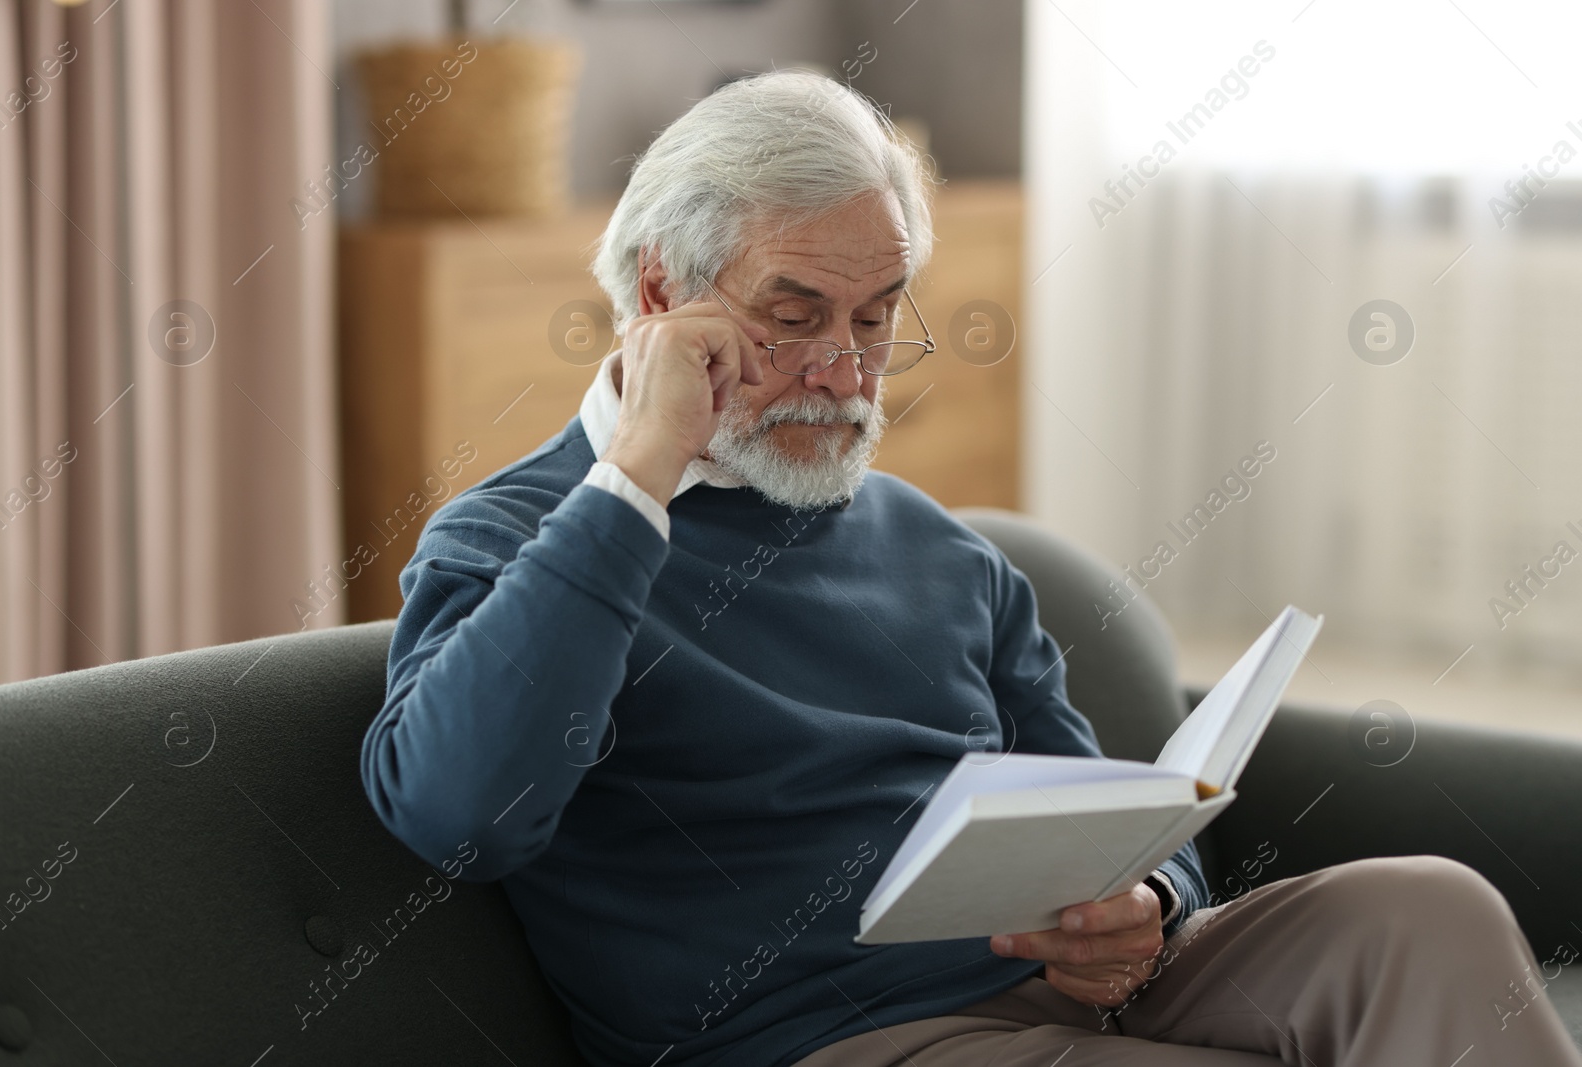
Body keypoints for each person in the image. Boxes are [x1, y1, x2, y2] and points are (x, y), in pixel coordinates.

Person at [359, 69, 1582, 1067]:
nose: (844, 366)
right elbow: (459, 815)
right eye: (794, 315)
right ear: (661, 294)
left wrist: (1144, 908)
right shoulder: (522, 536)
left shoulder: (943, 551)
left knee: (1428, 908)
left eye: (878, 315)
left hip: (1067, 993)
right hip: (838, 1038)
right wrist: (636, 473)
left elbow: (1119, 812)